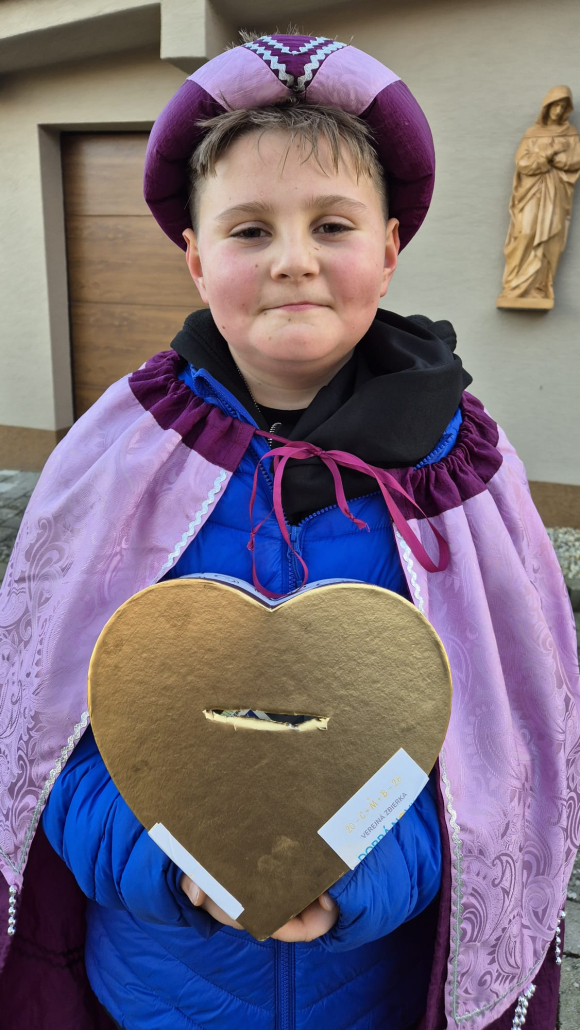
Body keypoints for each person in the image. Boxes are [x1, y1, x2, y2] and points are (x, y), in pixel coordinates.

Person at [0, 33, 578, 1030]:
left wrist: (354, 875)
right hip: (158, 989)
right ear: (196, 257)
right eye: (250, 229)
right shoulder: (118, 461)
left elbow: (503, 754)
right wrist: (165, 860)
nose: (293, 260)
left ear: (388, 249)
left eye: (332, 224)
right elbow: (41, 732)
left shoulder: (465, 483)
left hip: (368, 992)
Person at [498, 85, 580, 306]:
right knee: (525, 232)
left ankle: (539, 287)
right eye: (555, 105)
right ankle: (515, 285)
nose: (558, 110)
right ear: (547, 107)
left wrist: (556, 160)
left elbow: (574, 161)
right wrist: (548, 155)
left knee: (550, 237)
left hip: (556, 194)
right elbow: (523, 162)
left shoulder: (571, 134)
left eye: (563, 106)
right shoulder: (533, 133)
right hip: (530, 192)